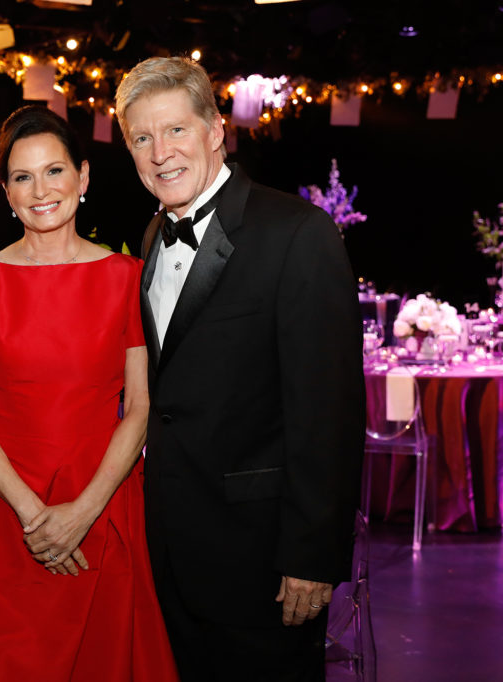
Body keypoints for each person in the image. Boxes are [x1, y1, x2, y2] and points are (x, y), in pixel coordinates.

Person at [115, 57, 365, 681]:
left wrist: (312, 555)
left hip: (264, 563)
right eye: (142, 138)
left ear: (215, 129)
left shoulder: (298, 233)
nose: (160, 153)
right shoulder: (150, 236)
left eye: (175, 130)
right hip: (171, 550)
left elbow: (327, 412)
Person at [0, 105, 179, 681]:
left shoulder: (125, 277)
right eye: (22, 177)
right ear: (6, 193)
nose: (41, 191)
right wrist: (35, 515)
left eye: (54, 171)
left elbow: (138, 408)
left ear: (83, 178)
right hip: (3, 512)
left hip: (103, 504)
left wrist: (82, 513)